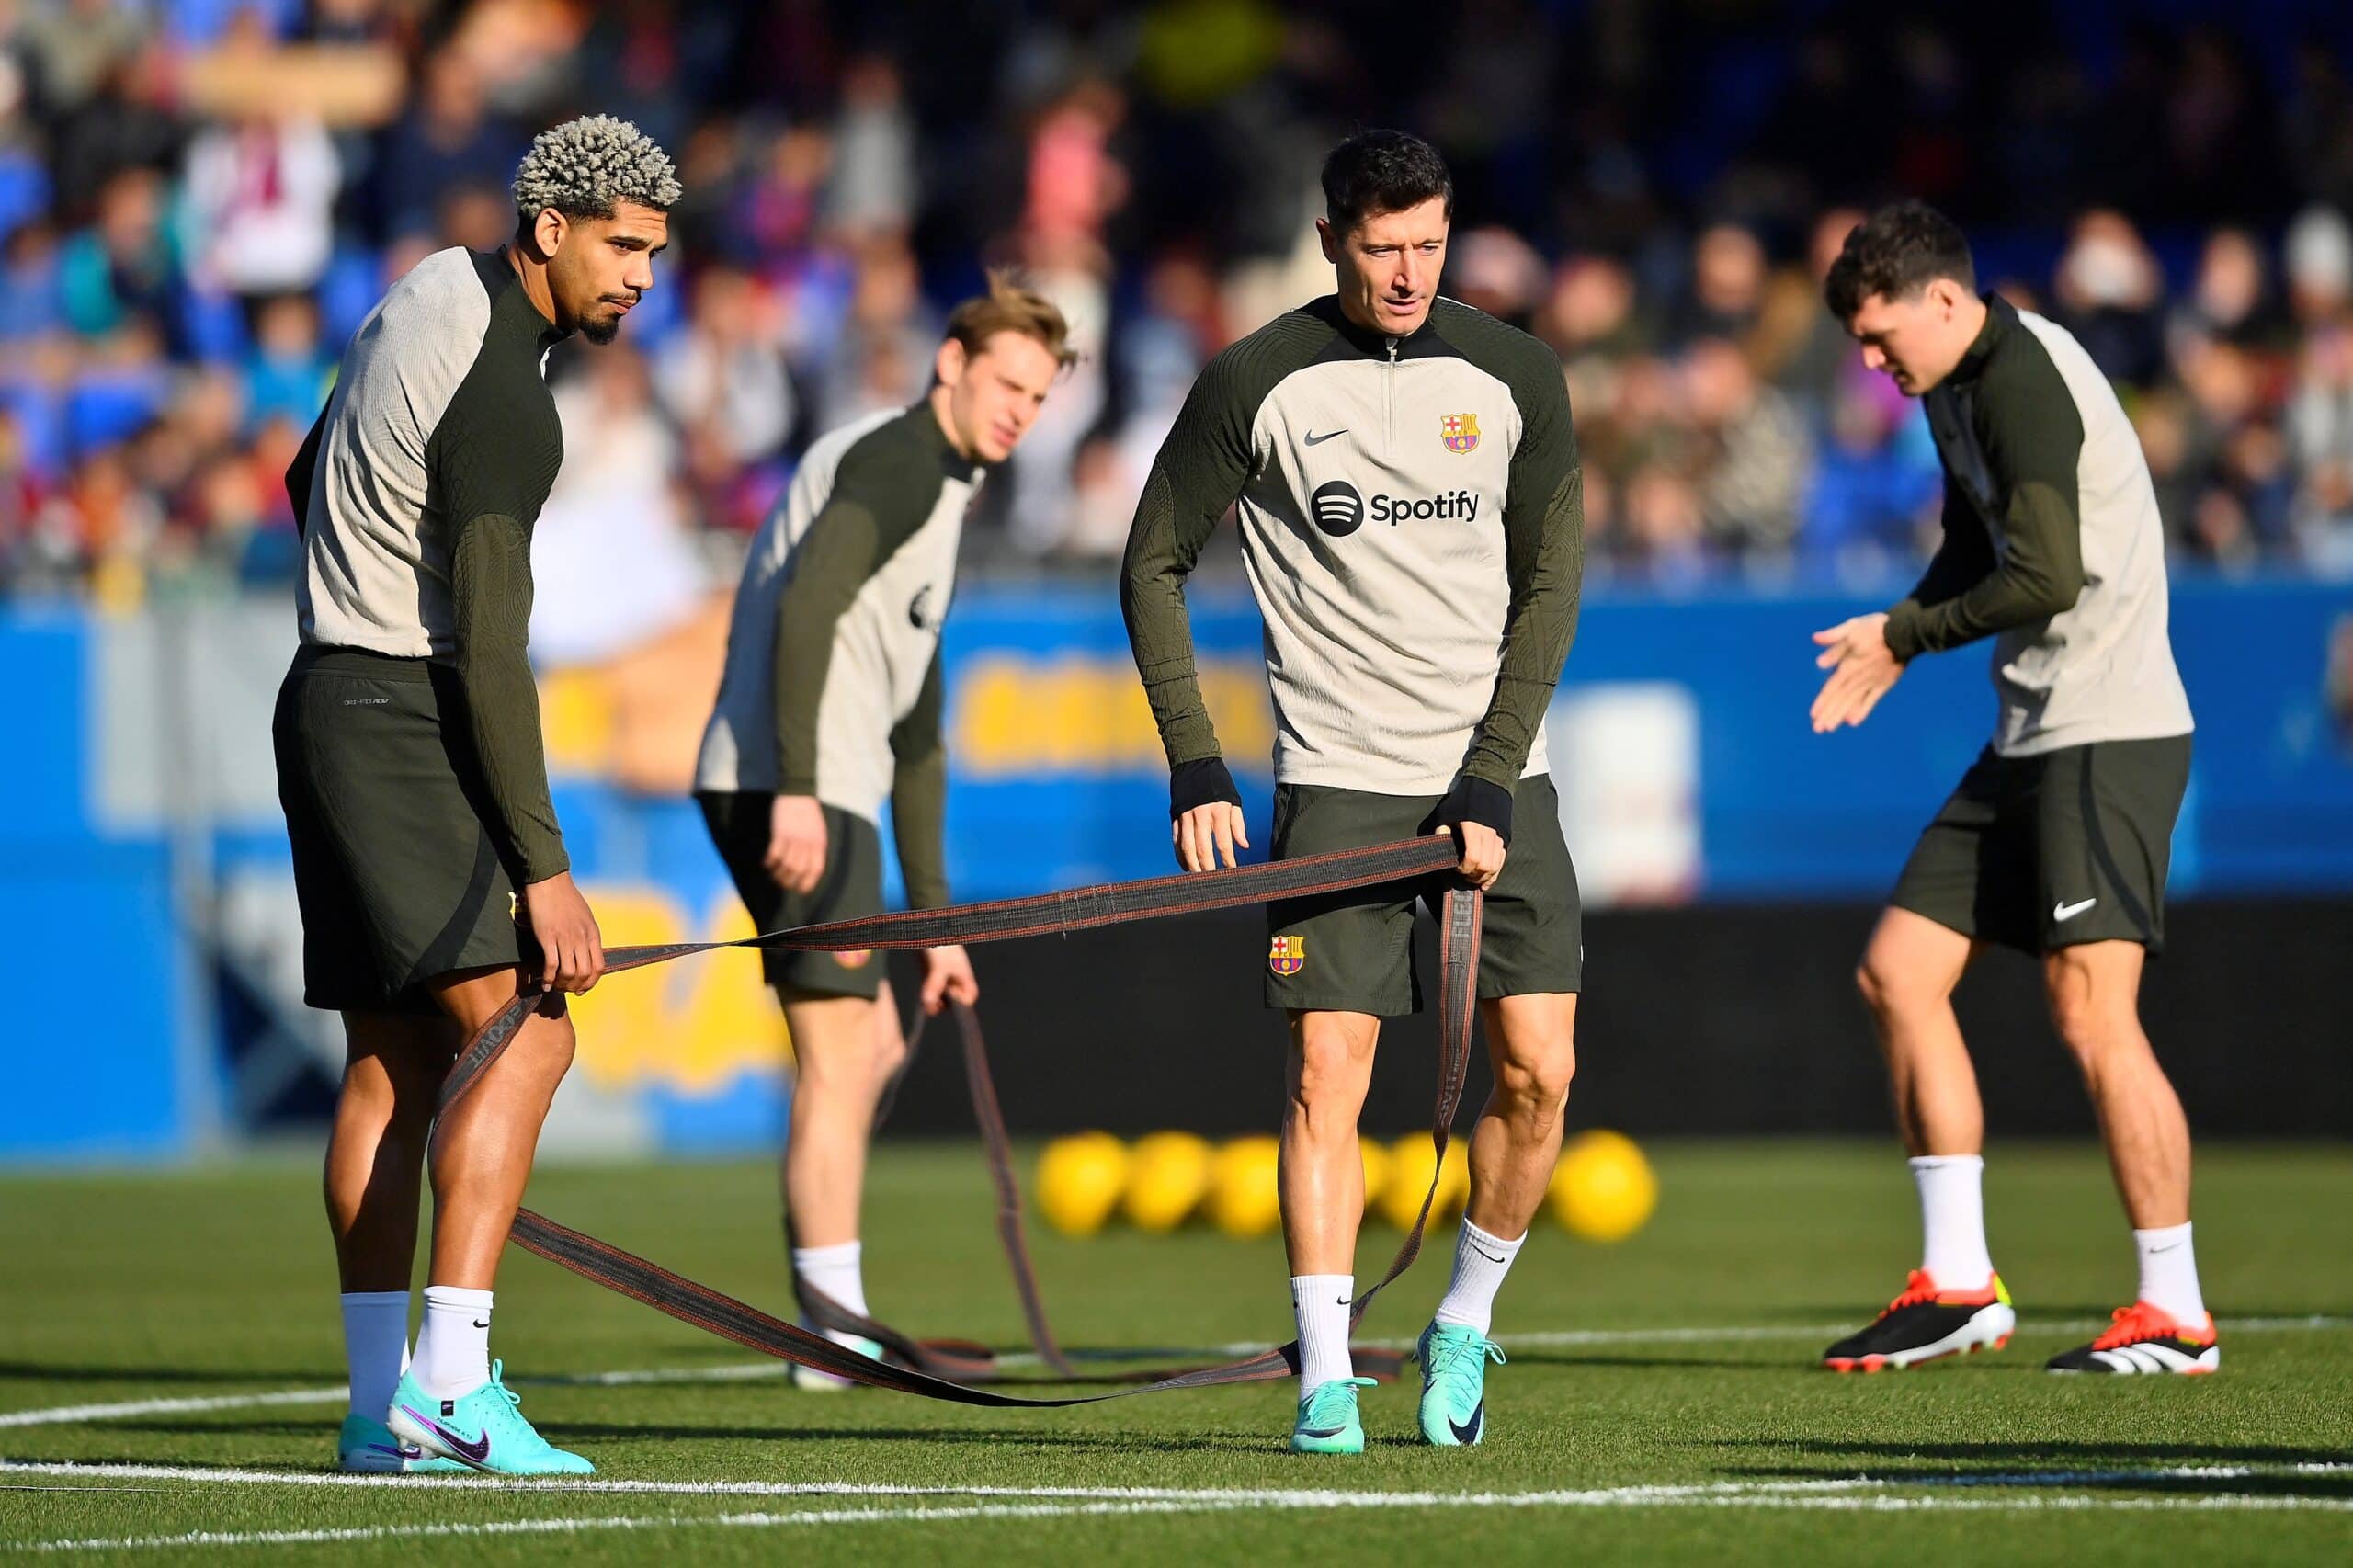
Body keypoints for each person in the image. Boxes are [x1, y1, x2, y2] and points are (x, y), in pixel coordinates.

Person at [1120, 130, 1585, 1453]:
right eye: (1382, 246)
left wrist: (1492, 777)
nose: (1407, 271)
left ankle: (1463, 1319)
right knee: (1329, 1074)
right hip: (1335, 784)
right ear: (1330, 237)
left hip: (1504, 783)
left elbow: (1553, 589)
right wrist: (1195, 759)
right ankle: (1324, 1373)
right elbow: (1150, 563)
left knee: (1540, 1075)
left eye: (1429, 244)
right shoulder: (1253, 380)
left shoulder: (1515, 373)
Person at [273, 115, 677, 1476]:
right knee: (529, 1031)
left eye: (656, 253)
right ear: (550, 228)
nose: (639, 276)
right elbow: (494, 651)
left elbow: (300, 474)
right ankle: (451, 1389)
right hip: (397, 705)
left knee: (393, 1065)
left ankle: (373, 1406)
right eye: (622, 245)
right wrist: (546, 866)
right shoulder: (512, 395)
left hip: (323, 690)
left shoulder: (423, 290)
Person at [1811, 200, 2211, 1376]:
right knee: (1898, 972)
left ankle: (2174, 1311)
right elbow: (1973, 548)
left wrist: (1906, 640)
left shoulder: (2021, 378)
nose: (1875, 368)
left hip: (2109, 730)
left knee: (2093, 1016)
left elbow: (2044, 573)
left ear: (1946, 299)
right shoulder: (1950, 385)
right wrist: (1898, 624)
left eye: (1884, 339)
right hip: (2032, 728)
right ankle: (1956, 1282)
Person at [693, 277, 1071, 1385]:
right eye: (1007, 382)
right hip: (800, 786)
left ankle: (834, 1310)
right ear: (950, 362)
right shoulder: (900, 460)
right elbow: (808, 603)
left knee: (873, 1047)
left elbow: (919, 733)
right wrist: (797, 787)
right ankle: (830, 1333)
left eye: (1039, 397)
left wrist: (937, 923)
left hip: (841, 784)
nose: (1019, 410)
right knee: (841, 1052)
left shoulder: (945, 490)